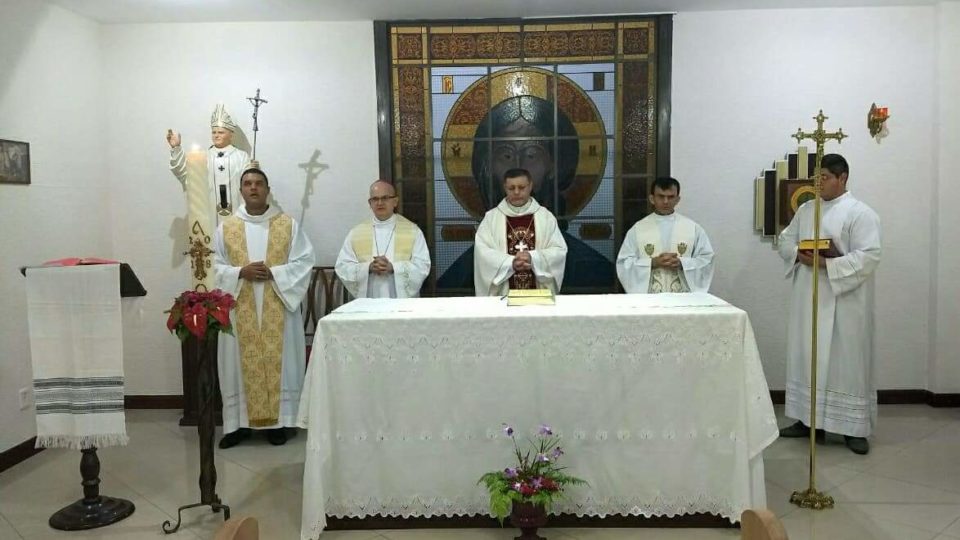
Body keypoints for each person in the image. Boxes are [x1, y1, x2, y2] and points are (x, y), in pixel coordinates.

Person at [777, 154, 881, 455]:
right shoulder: (807, 209)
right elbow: (785, 241)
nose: (818, 182)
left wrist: (827, 264)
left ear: (843, 178)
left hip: (844, 301)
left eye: (824, 176)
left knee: (845, 361)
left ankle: (853, 429)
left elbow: (869, 256)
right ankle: (807, 421)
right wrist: (799, 254)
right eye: (816, 176)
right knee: (807, 355)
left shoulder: (861, 213)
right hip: (807, 297)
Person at [212, 167, 315, 448]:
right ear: (241, 191)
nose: (253, 188)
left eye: (258, 183)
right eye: (247, 184)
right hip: (239, 306)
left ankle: (279, 422)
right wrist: (239, 272)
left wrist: (276, 274)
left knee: (281, 363)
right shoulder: (227, 227)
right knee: (236, 363)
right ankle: (237, 425)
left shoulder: (288, 225)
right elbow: (213, 266)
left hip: (278, 305)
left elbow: (304, 262)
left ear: (268, 190)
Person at [474, 168, 567, 296]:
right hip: (504, 295)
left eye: (521, 187)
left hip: (538, 295)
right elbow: (483, 252)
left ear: (530, 186)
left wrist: (533, 258)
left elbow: (558, 250)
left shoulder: (545, 217)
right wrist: (509, 263)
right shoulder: (491, 219)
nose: (516, 192)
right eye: (511, 188)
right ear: (504, 188)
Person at [616, 177, 715, 293]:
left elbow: (707, 260)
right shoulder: (638, 229)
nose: (666, 201)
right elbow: (624, 264)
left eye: (671, 197)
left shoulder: (693, 228)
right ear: (652, 198)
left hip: (683, 298)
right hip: (650, 298)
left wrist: (682, 263)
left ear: (678, 199)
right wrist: (653, 263)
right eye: (661, 196)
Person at [335, 180, 431, 298]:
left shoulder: (413, 231)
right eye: (375, 199)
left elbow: (422, 265)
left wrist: (393, 268)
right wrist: (368, 268)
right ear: (370, 204)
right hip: (368, 302)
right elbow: (343, 266)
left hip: (401, 305)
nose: (380, 203)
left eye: (385, 198)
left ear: (395, 201)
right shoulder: (356, 233)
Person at [167, 104, 250, 220]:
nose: (216, 135)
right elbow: (186, 176)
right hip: (208, 216)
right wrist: (176, 149)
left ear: (231, 135)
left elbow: (249, 185)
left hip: (236, 213)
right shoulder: (202, 157)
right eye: (214, 132)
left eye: (220, 132)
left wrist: (254, 172)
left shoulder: (241, 157)